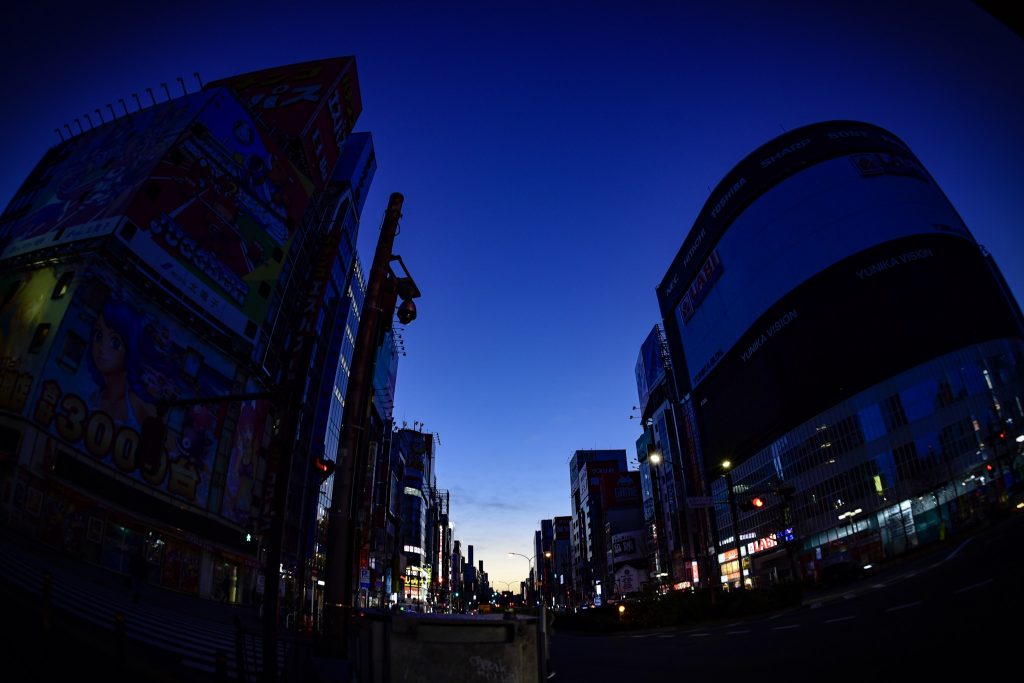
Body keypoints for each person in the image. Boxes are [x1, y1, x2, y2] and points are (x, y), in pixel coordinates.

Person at [86, 299, 156, 431]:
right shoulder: (96, 396)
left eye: (115, 342)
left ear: (131, 351)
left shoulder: (137, 403)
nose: (101, 347)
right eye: (98, 335)